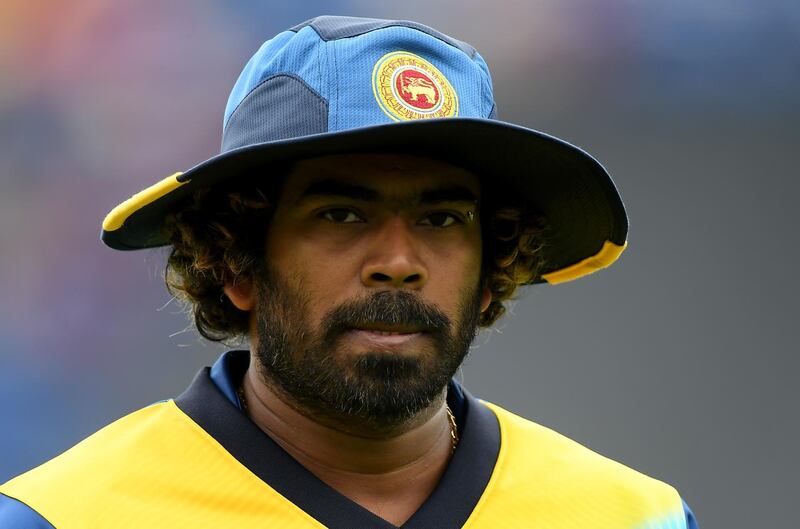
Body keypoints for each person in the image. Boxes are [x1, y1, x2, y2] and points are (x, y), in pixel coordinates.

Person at [0, 15, 698, 529]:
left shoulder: (636, 518)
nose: (397, 263)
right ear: (238, 258)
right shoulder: (61, 516)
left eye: (442, 219)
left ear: (490, 271)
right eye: (341, 216)